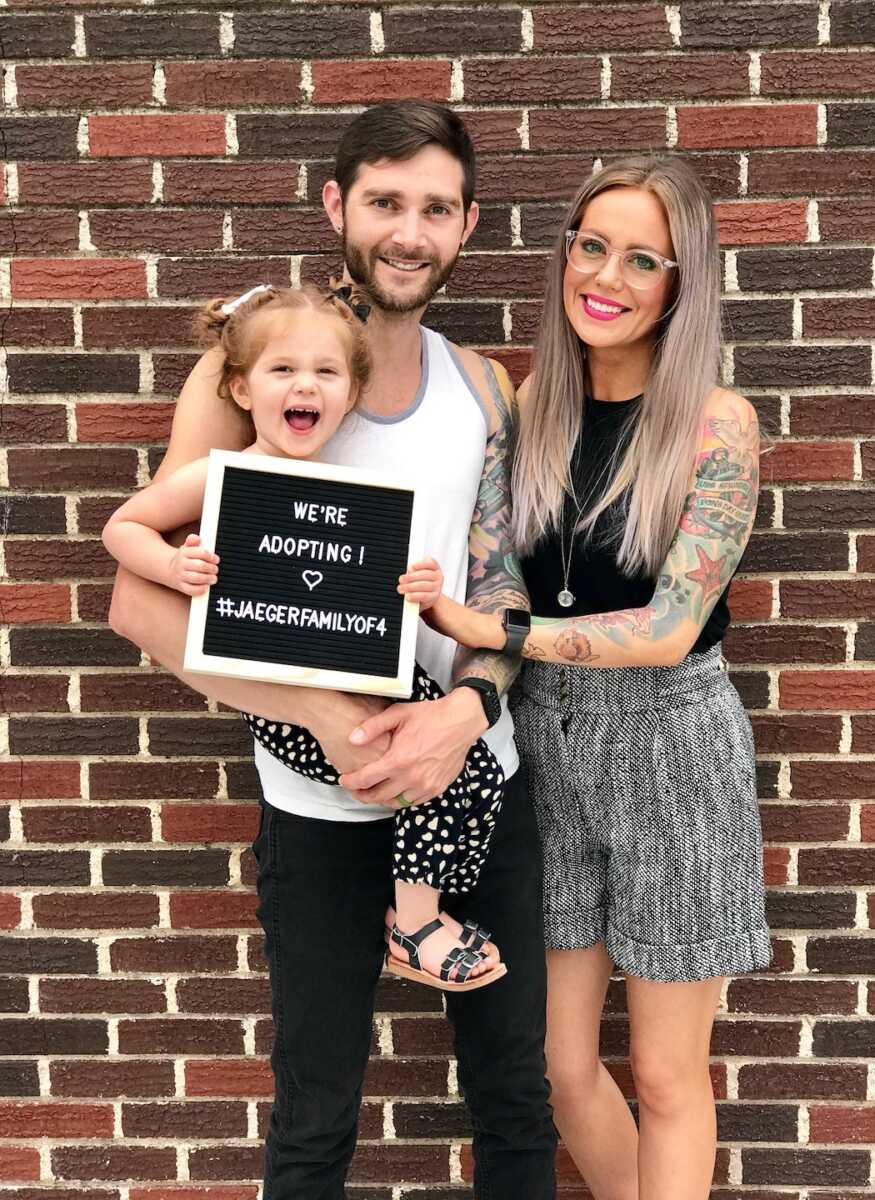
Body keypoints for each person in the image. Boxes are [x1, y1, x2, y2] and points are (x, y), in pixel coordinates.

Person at [107, 101, 557, 1199]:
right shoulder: (260, 368)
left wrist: (464, 716)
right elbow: (139, 602)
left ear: (466, 226)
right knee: (315, 1109)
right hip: (316, 804)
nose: (409, 231)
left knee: (514, 1094)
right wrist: (321, 717)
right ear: (335, 206)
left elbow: (504, 593)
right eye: (385, 202)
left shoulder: (487, 388)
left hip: (468, 783)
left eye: (435, 208)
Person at [422, 155, 772, 1200]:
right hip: (544, 750)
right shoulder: (529, 412)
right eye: (591, 245)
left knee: (666, 1074)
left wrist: (498, 632)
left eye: (640, 258)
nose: (606, 275)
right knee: (562, 1067)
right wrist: (465, 687)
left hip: (675, 747)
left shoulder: (718, 424)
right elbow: (489, 594)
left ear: (680, 283)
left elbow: (668, 631)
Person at [102, 281, 510, 992]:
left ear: (350, 396)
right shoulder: (223, 476)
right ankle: (414, 927)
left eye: (326, 373)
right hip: (290, 689)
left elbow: (369, 588)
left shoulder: (350, 486)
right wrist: (174, 563)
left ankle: (417, 918)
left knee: (460, 766)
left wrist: (415, 589)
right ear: (238, 387)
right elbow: (122, 528)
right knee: (425, 779)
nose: (305, 387)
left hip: (369, 666)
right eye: (282, 370)